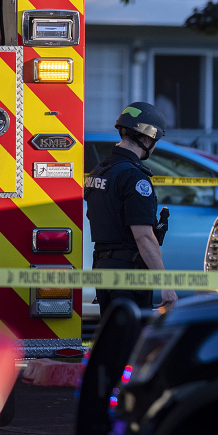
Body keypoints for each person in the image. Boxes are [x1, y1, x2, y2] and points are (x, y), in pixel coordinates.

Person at [85, 102, 178, 315]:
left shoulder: (99, 171)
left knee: (114, 340)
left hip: (102, 268)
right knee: (132, 343)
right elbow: (144, 237)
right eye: (155, 140)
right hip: (128, 273)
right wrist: (167, 286)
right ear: (146, 138)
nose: (154, 147)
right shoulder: (134, 177)